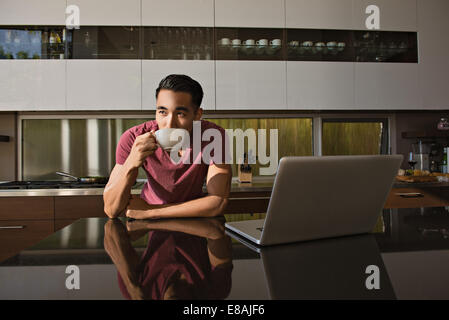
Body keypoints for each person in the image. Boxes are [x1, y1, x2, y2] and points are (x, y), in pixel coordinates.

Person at [103, 74, 232, 219]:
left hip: (192, 220)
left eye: (180, 113)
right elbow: (111, 210)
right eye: (162, 112)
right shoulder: (133, 138)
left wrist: (150, 212)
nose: (169, 124)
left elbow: (218, 201)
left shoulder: (213, 136)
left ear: (197, 115)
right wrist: (131, 163)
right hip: (150, 224)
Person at [103, 217, 233, 300]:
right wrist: (150, 224)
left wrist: (131, 285)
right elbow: (216, 230)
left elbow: (111, 229)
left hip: (154, 204)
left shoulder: (136, 291)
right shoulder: (214, 292)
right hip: (196, 201)